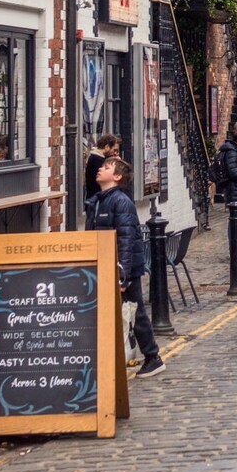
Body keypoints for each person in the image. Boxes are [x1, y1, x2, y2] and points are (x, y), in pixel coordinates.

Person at [84, 156, 164, 378]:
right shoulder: (98, 200)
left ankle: (153, 357)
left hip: (122, 268)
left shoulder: (121, 202)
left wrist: (122, 275)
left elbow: (126, 240)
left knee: (134, 313)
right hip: (102, 265)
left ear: (117, 177)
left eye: (106, 167)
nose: (100, 169)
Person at [83, 132, 122, 205]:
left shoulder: (98, 158)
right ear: (107, 147)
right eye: (114, 150)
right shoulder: (97, 160)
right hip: (98, 201)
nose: (116, 153)